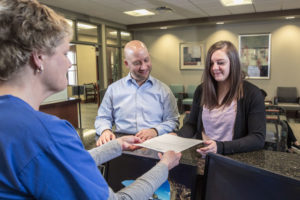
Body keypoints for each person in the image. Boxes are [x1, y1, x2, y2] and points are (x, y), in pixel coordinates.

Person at [0, 0, 181, 199]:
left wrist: (116, 145)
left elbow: (65, 162)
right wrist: (164, 166)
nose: (69, 63)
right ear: (39, 58)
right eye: (64, 53)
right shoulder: (48, 134)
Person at [175, 41, 266, 155]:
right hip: (203, 156)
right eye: (211, 64)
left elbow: (257, 138)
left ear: (233, 63)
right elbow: (192, 125)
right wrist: (177, 136)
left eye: (220, 63)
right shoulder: (201, 90)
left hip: (232, 158)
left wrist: (220, 147)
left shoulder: (252, 93)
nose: (214, 68)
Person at [95, 40, 179, 146]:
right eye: (137, 63)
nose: (143, 67)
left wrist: (155, 130)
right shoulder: (113, 90)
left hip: (155, 144)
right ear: (126, 63)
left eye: (146, 60)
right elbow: (103, 117)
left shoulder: (164, 90)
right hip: (122, 145)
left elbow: (173, 121)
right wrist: (105, 130)